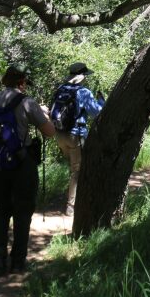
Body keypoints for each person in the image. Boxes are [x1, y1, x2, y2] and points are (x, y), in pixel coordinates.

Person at [0, 64, 56, 274]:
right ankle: (18, 260)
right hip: (21, 164)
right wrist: (44, 115)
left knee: (1, 210)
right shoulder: (26, 102)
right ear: (21, 83)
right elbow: (49, 132)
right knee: (23, 211)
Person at [53, 62, 105, 217]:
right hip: (75, 135)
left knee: (73, 167)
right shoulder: (84, 92)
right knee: (77, 171)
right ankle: (71, 206)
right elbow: (96, 113)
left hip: (59, 134)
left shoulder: (60, 89)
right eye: (85, 76)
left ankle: (73, 197)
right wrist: (102, 101)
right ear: (81, 76)